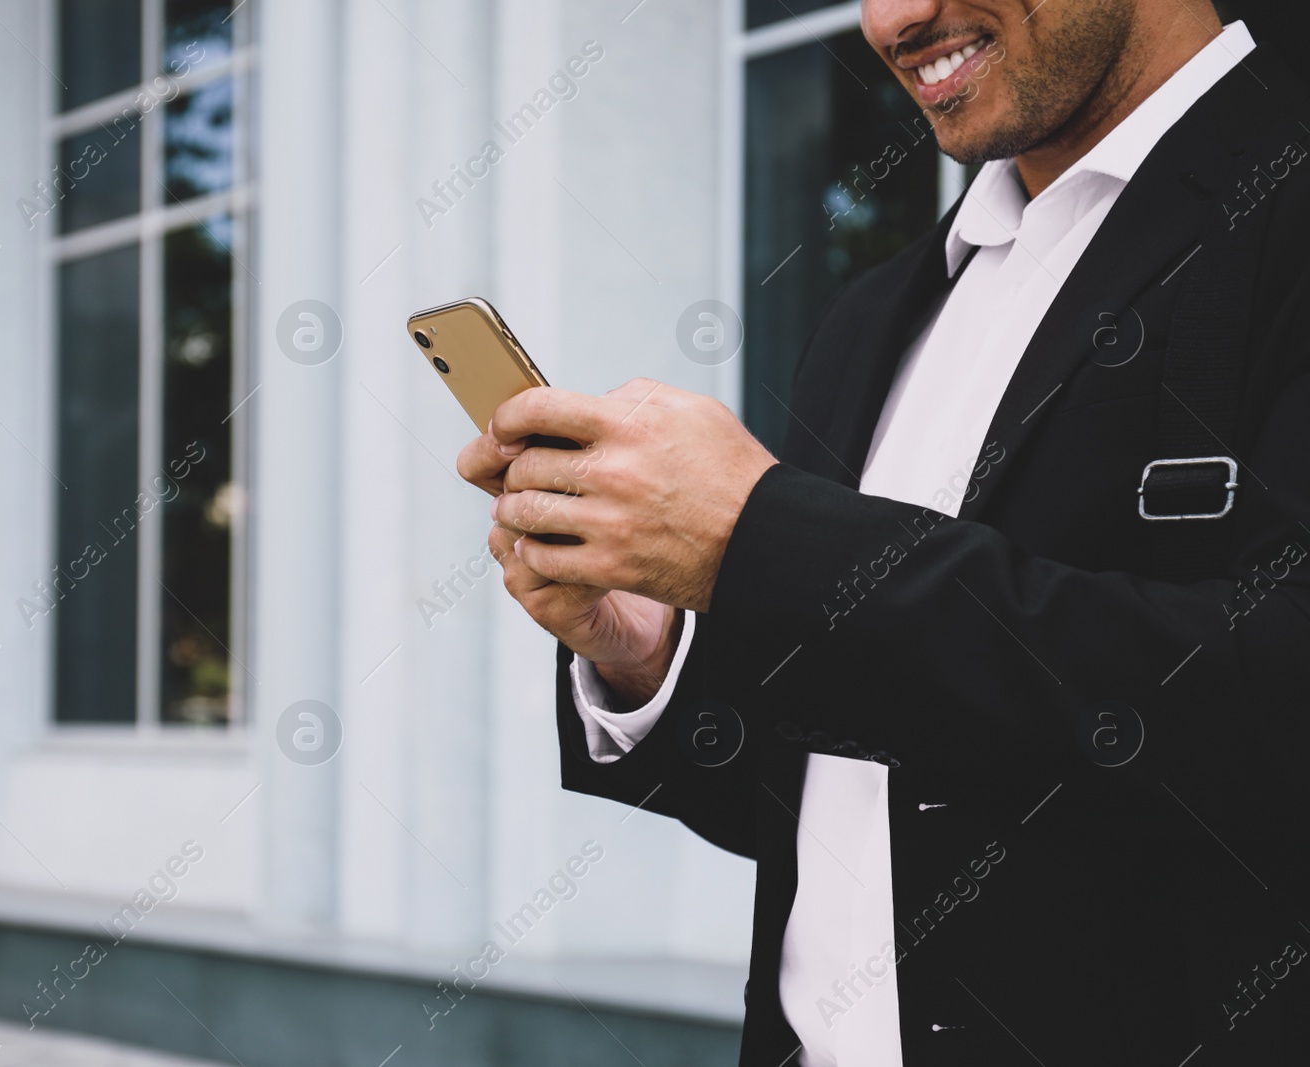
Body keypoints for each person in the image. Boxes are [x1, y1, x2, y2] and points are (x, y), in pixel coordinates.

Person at [457, 1, 1310, 1063]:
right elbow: (844, 807)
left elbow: (1270, 715)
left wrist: (771, 546)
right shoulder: (877, 314)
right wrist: (658, 653)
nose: (895, 18)